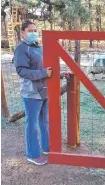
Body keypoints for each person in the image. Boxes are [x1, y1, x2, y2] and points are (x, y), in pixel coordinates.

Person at [14, 20, 69, 165]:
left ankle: (47, 148)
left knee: (44, 121)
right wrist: (44, 73)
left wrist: (59, 74)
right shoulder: (21, 49)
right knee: (31, 124)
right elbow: (21, 71)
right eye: (30, 31)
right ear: (23, 33)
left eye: (35, 30)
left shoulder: (37, 47)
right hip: (32, 92)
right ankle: (32, 154)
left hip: (44, 91)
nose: (33, 33)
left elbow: (47, 67)